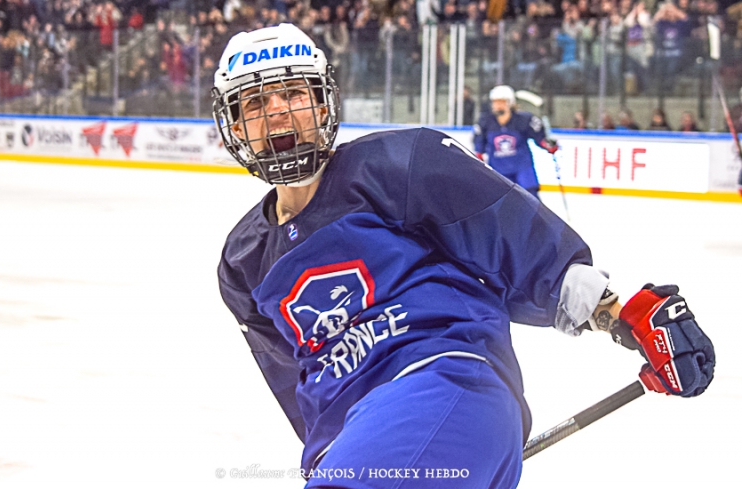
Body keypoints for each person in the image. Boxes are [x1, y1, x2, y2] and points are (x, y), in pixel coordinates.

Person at [213, 24, 715, 488]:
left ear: (323, 105)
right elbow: (295, 381)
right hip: (364, 439)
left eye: (293, 93)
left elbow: (514, 242)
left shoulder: (398, 165)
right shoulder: (243, 261)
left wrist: (624, 313)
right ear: (234, 125)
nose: (277, 111)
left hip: (445, 379)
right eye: (254, 102)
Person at [473, 85, 557, 199]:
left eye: (501, 102)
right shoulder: (485, 122)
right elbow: (479, 145)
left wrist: (548, 145)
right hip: (499, 170)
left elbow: (540, 138)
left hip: (522, 168)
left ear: (510, 103)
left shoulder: (524, 120)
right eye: (495, 102)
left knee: (530, 199)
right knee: (501, 202)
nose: (497, 105)